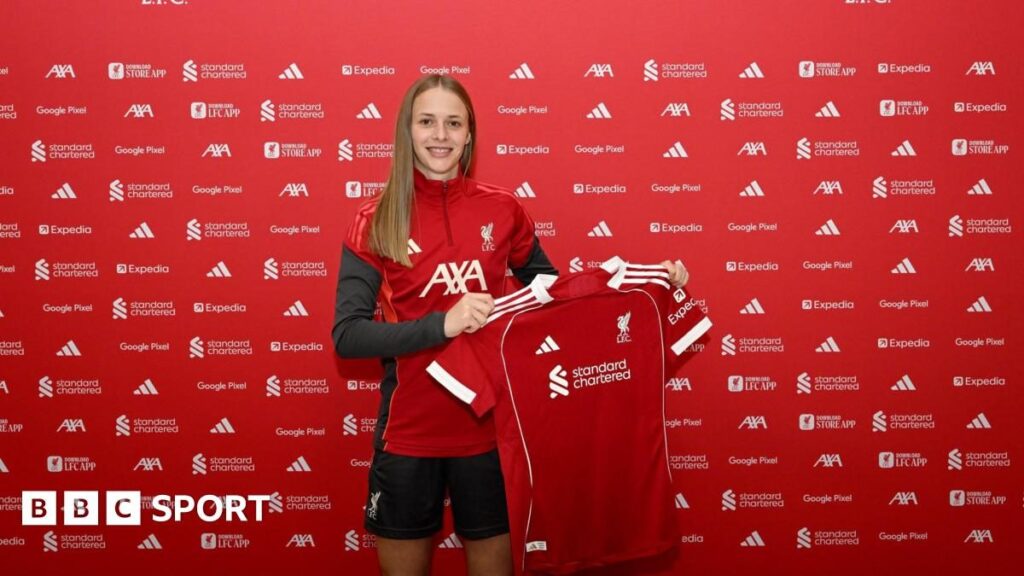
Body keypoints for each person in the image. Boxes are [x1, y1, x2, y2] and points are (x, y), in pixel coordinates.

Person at [332, 74, 689, 576]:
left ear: (469, 134)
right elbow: (348, 336)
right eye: (427, 122)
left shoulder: (502, 209)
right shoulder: (376, 218)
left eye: (453, 123)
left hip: (493, 435)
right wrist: (442, 325)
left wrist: (645, 285)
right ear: (406, 131)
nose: (441, 135)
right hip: (409, 436)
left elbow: (556, 300)